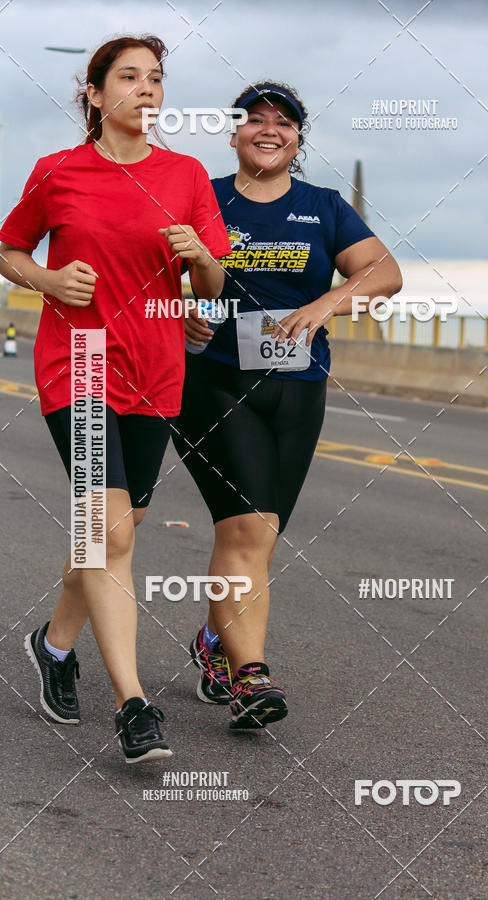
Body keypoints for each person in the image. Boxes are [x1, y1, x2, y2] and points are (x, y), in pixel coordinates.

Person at [0, 35, 231, 762]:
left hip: (156, 372)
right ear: (96, 94)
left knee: (117, 528)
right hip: (81, 363)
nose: (146, 89)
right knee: (113, 533)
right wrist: (46, 280)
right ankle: (134, 705)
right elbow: (8, 248)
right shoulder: (58, 172)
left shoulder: (188, 174)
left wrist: (200, 258)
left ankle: (54, 643)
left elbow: (216, 284)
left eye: (156, 78)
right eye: (128, 77)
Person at [172, 81, 402, 730]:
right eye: (255, 120)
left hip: (298, 388)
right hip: (212, 384)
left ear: (298, 138)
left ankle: (215, 644)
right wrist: (185, 311)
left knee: (261, 539)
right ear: (235, 132)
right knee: (243, 530)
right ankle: (251, 678)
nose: (269, 129)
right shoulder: (202, 196)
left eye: (285, 122)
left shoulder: (323, 207)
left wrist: (327, 302)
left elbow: (383, 272)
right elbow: (148, 270)